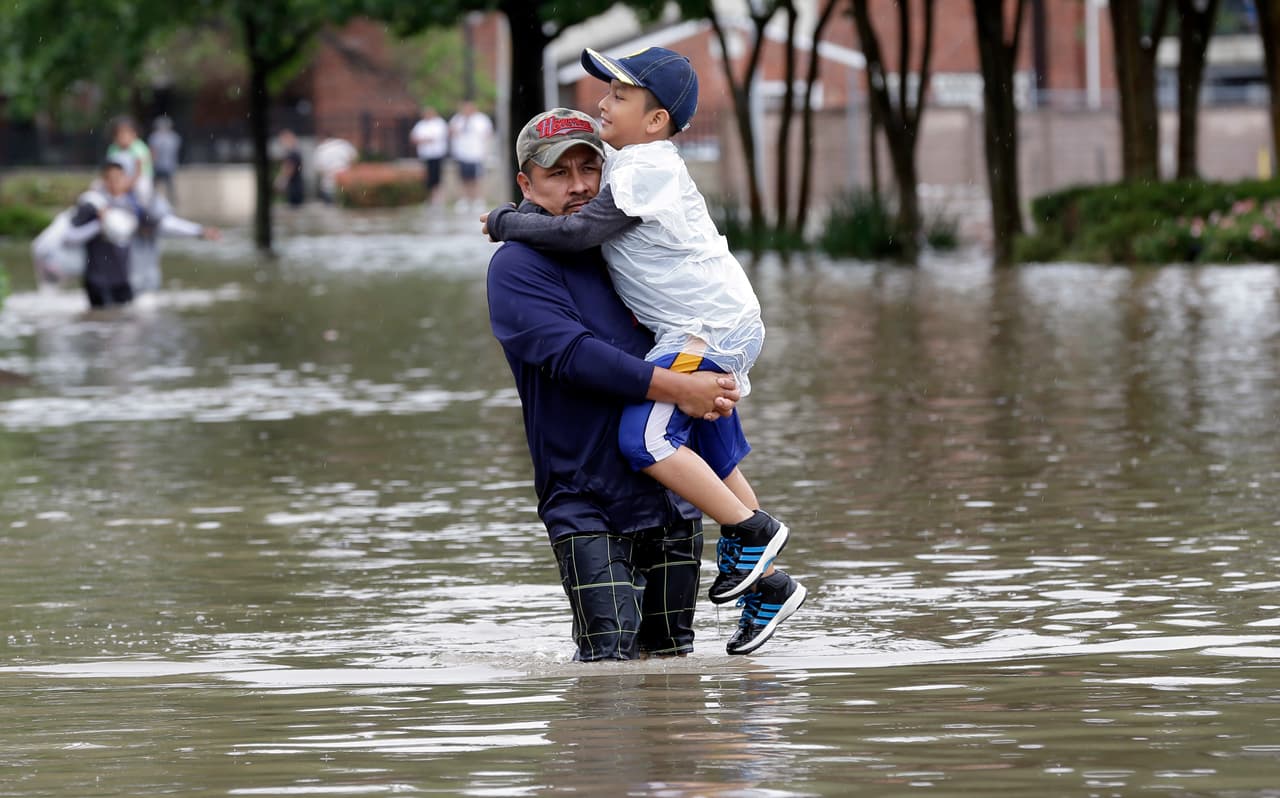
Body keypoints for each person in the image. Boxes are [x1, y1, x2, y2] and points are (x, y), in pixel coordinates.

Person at [484, 49, 806, 655]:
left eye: (590, 168)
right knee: (607, 665)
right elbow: (573, 357)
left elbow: (685, 343)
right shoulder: (519, 266)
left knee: (670, 669)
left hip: (670, 504)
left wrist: (712, 394)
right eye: (558, 174)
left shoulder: (622, 238)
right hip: (586, 500)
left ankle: (763, 570)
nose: (580, 186)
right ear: (526, 184)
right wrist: (685, 389)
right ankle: (756, 542)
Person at [62, 157, 220, 309]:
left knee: (124, 319)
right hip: (97, 280)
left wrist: (199, 231)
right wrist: (100, 225)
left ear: (126, 179)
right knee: (100, 321)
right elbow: (69, 237)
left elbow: (164, 225)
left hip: (123, 279)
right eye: (110, 179)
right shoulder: (92, 206)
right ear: (104, 180)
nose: (114, 183)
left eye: (118, 178)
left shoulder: (134, 206)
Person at [448, 100, 493, 212]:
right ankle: (464, 199)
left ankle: (478, 199)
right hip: (462, 154)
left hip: (476, 154)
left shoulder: (481, 119)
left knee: (477, 178)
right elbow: (451, 133)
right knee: (463, 178)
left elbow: (488, 134)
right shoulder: (457, 119)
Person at [106, 116, 154, 205]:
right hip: (118, 178)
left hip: (138, 178)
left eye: (126, 134)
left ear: (134, 134)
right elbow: (110, 169)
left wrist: (129, 183)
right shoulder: (113, 149)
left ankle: (144, 208)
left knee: (142, 189)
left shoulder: (139, 148)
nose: (123, 137)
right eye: (119, 134)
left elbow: (139, 171)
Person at [410, 106, 449, 207]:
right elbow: (414, 138)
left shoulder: (439, 123)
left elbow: (438, 137)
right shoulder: (421, 124)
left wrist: (425, 140)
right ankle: (429, 198)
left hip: (437, 154)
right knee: (427, 178)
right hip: (425, 155)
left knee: (437, 177)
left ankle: (438, 198)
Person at [313, 132, 358, 204]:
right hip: (345, 184)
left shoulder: (321, 149)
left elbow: (318, 169)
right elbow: (354, 159)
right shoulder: (344, 144)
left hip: (328, 186)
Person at [148, 116, 182, 204]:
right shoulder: (174, 137)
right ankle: (172, 202)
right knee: (169, 186)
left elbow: (153, 152)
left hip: (160, 165)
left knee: (156, 186)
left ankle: (151, 201)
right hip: (169, 165)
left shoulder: (155, 137)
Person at [274, 129, 306, 207]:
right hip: (295, 187)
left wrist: (281, 181)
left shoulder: (292, 153)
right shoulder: (295, 152)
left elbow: (289, 169)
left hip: (294, 188)